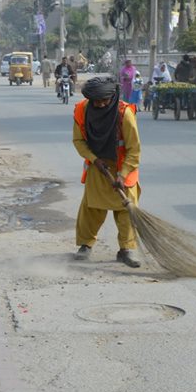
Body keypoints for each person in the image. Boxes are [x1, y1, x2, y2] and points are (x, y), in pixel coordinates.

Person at [72, 76, 142, 268]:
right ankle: (85, 246)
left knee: (126, 210)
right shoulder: (82, 110)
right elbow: (78, 141)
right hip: (98, 166)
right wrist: (95, 159)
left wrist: (122, 174)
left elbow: (134, 149)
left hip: (123, 168)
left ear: (113, 97)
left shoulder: (124, 113)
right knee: (91, 208)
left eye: (105, 101)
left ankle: (126, 249)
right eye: (97, 101)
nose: (101, 105)